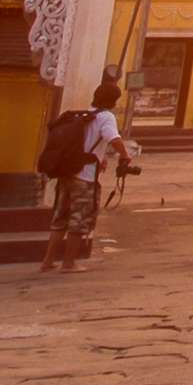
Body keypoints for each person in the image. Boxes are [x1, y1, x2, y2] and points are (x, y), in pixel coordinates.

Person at [38, 78, 133, 269]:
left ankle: (48, 261)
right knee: (79, 220)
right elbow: (113, 138)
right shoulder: (106, 117)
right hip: (85, 177)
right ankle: (69, 263)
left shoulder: (85, 115)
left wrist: (101, 157)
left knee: (60, 218)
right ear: (114, 100)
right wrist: (125, 155)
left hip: (68, 172)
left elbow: (87, 143)